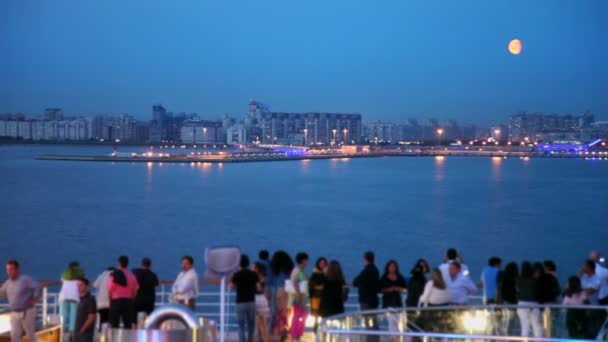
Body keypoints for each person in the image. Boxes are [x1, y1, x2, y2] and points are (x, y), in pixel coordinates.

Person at [0, 259, 41, 342]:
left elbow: (38, 286)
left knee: (30, 335)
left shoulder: (25, 279)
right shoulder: (7, 283)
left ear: (17, 269)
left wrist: (35, 299)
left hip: (27, 311)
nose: (9, 271)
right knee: (14, 336)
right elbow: (1, 293)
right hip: (14, 313)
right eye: (8, 269)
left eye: (11, 269)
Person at [231, 255, 258, 342]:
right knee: (251, 325)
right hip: (251, 301)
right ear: (248, 263)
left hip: (240, 302)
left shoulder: (236, 275)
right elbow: (258, 287)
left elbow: (231, 287)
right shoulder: (253, 274)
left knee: (241, 325)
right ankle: (250, 340)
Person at [108, 255, 139, 329]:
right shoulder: (132, 276)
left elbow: (110, 290)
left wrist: (110, 302)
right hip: (128, 301)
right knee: (128, 325)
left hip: (116, 301)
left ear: (119, 263)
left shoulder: (114, 275)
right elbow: (135, 290)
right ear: (128, 264)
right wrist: (131, 300)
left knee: (114, 324)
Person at [269, 250, 294, 339]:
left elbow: (278, 296)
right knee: (285, 314)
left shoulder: (277, 272)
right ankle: (284, 333)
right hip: (288, 291)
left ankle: (280, 334)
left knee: (279, 314)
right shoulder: (288, 271)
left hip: (280, 290)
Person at [516, 261, 542, 338]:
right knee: (536, 326)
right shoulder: (534, 280)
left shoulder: (518, 280)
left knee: (525, 326)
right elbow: (538, 292)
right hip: (534, 303)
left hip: (522, 304)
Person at [578, 259, 603, 338]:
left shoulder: (597, 278)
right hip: (582, 308)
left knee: (592, 329)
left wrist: (580, 290)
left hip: (593, 308)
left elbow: (591, 291)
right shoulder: (583, 277)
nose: (583, 268)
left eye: (585, 266)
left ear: (589, 267)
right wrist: (580, 273)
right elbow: (574, 285)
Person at [59, 261, 85, 334]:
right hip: (74, 296)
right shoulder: (80, 273)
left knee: (63, 316)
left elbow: (62, 282)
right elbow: (83, 284)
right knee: (74, 316)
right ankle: (72, 333)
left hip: (64, 295)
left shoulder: (65, 273)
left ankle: (61, 332)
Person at [288, 252, 309, 341]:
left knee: (302, 315)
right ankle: (295, 336)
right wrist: (299, 295)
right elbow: (295, 282)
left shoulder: (300, 270)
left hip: (301, 298)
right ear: (303, 260)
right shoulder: (298, 270)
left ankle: (297, 335)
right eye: (306, 260)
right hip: (298, 298)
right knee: (297, 317)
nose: (307, 262)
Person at [498, 262, 518, 335]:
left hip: (504, 301)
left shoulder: (504, 277)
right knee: (510, 320)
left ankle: (503, 335)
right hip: (512, 302)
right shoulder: (515, 279)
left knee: (505, 319)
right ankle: (508, 335)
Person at [74, 277, 96, 342]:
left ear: (86, 286)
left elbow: (91, 317)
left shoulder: (90, 299)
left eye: (81, 285)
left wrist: (82, 331)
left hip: (85, 334)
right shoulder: (80, 299)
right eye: (77, 285)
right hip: (78, 332)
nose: (78, 287)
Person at [308, 257, 327, 331]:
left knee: (323, 312)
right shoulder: (315, 273)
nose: (322, 265)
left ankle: (322, 327)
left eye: (324, 263)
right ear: (318, 264)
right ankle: (316, 327)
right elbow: (316, 282)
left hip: (323, 296)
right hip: (316, 296)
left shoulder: (324, 273)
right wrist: (324, 275)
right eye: (321, 263)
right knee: (316, 314)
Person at [253, 262, 270, 342]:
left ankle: (261, 339)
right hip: (263, 298)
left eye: (253, 267)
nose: (252, 268)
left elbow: (258, 288)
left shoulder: (255, 277)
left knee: (260, 323)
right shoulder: (263, 276)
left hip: (256, 299)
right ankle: (266, 339)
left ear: (257, 268)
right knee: (263, 324)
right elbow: (262, 288)